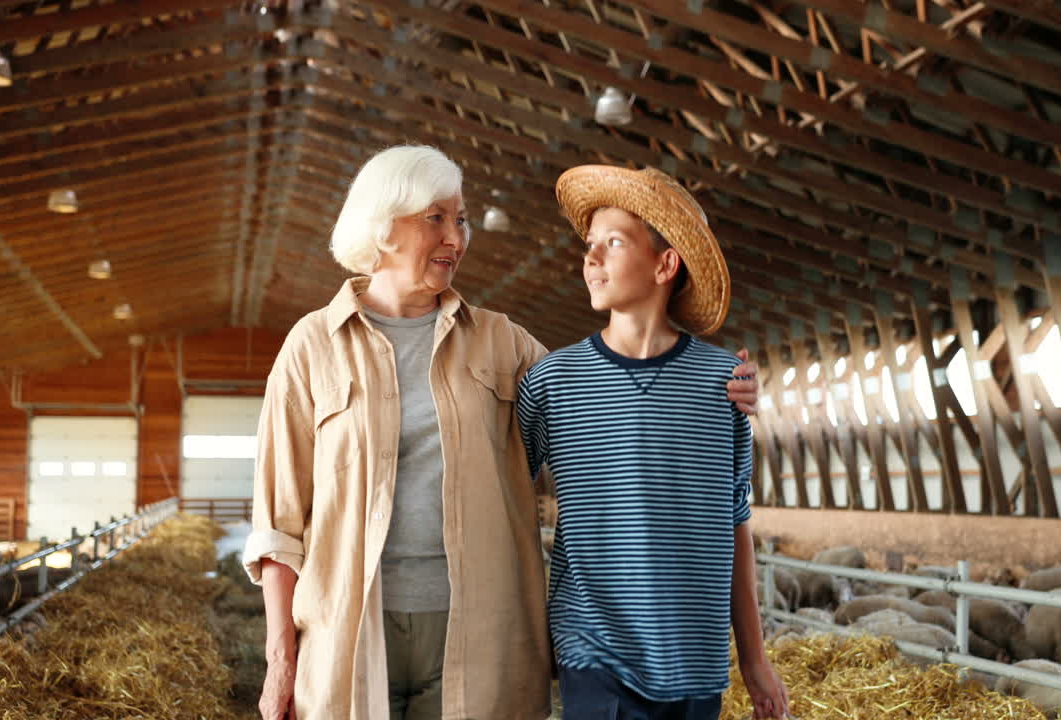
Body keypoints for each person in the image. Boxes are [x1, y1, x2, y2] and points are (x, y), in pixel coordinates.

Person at [241, 146, 762, 720]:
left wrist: (719, 385)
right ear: (384, 227)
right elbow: (278, 523)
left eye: (460, 220)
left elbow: (607, 398)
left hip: (475, 637)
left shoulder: (503, 344)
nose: (457, 238)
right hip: (349, 635)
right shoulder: (311, 347)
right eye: (435, 218)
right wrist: (280, 662)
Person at [516, 165, 789, 720]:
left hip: (695, 656)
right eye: (590, 245)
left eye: (613, 243)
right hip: (592, 650)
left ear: (666, 264)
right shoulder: (552, 383)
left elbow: (735, 521)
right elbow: (500, 498)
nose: (590, 258)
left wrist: (754, 660)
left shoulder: (724, 387)